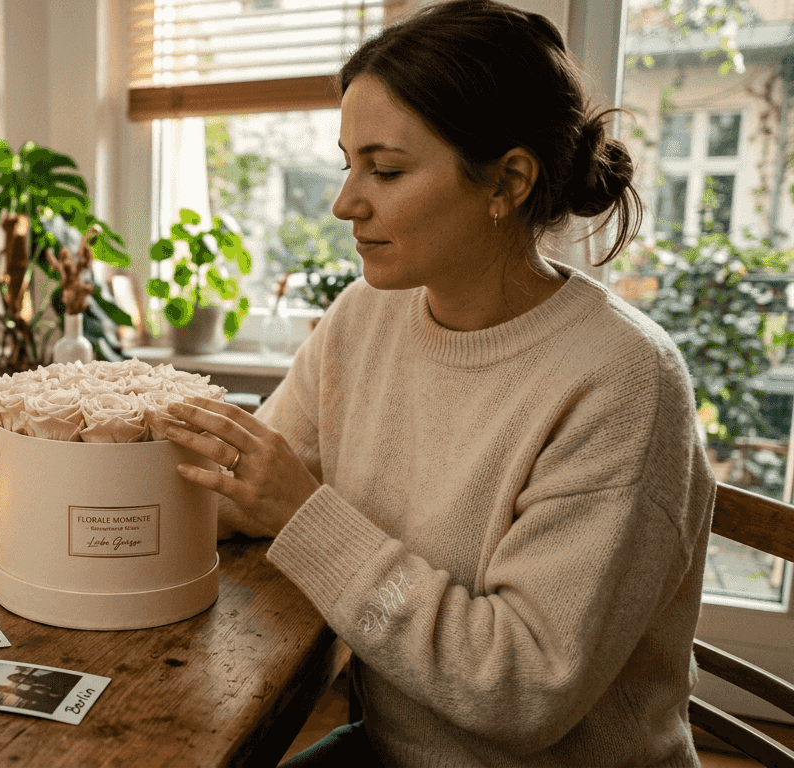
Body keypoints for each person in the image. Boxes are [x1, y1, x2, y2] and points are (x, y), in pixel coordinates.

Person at [159, 2, 715, 766]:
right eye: (349, 164)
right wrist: (77, 494)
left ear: (507, 181)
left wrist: (303, 515)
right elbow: (252, 489)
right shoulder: (364, 317)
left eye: (386, 170)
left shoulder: (623, 383)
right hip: (391, 750)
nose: (345, 203)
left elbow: (520, 689)